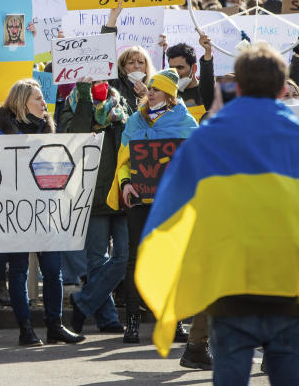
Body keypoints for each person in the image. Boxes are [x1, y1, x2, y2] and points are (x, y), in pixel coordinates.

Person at [134, 43, 299, 386]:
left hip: (228, 287)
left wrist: (170, 292)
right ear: (284, 89)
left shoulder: (205, 139)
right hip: (288, 288)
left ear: (236, 88)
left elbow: (167, 216)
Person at [0, 78, 85, 346]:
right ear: (22, 103)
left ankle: (55, 326)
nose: (44, 103)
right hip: (17, 211)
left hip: (45, 212)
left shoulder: (48, 129)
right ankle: (26, 328)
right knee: (18, 270)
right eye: (38, 99)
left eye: (43, 99)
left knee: (54, 270)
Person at [105, 68, 198, 345]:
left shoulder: (186, 121)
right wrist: (126, 185)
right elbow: (124, 162)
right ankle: (132, 323)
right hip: (140, 200)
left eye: (156, 89)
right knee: (135, 259)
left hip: (172, 202)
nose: (150, 91)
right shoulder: (134, 121)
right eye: (151, 88)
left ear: (169, 95)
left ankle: (173, 321)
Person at [58, 74, 130, 335]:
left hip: (121, 191)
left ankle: (83, 302)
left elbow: (129, 139)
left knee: (124, 256)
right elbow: (76, 133)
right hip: (91, 193)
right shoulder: (73, 102)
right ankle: (108, 318)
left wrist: (112, 120)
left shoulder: (119, 101)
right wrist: (85, 93)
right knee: (96, 260)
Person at [165, 34, 215, 113]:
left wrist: (208, 51)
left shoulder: (206, 92)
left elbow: (207, 78)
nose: (175, 73)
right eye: (172, 68)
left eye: (180, 68)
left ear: (194, 68)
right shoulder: (167, 94)